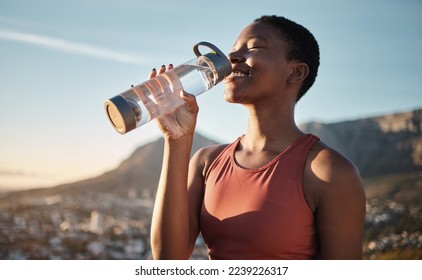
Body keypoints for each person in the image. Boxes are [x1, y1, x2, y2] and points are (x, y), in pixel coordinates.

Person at [149, 15, 366, 260]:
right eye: (233, 51)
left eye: (254, 47)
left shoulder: (329, 172)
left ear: (295, 72)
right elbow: (167, 260)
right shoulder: (207, 162)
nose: (231, 59)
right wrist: (177, 140)